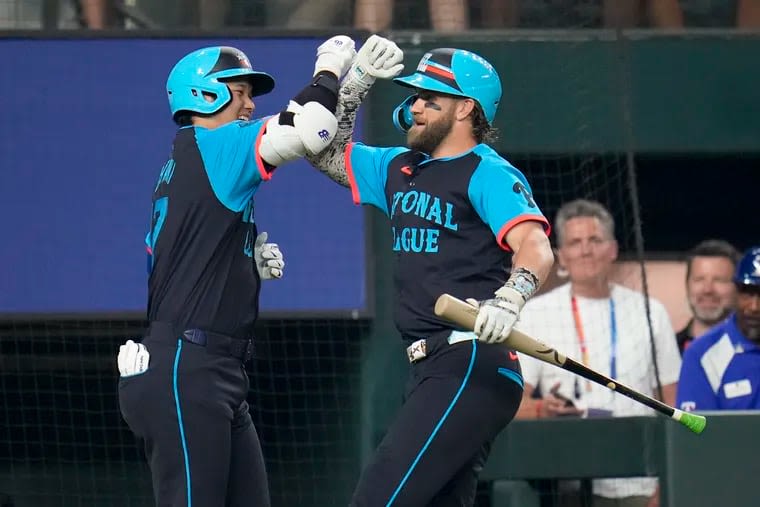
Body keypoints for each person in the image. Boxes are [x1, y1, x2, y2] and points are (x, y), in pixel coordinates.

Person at [308, 36, 555, 506]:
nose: (415, 106)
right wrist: (355, 86)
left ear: (465, 109)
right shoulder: (400, 166)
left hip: (470, 362)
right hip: (428, 368)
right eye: (415, 97)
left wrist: (511, 297)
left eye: (429, 99)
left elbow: (536, 246)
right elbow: (323, 153)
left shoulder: (488, 171)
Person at [116, 37, 357, 507]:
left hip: (207, 368)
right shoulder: (215, 145)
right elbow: (313, 130)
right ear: (204, 95)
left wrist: (241, 265)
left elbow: (179, 263)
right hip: (188, 368)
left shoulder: (187, 157)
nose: (249, 102)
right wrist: (331, 70)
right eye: (239, 90)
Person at [514, 199, 682, 507]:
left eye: (595, 240)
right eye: (575, 243)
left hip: (643, 482)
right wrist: (542, 410)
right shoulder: (537, 313)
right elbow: (513, 402)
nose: (586, 250)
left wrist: (668, 482)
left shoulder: (649, 311)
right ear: (560, 256)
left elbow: (674, 402)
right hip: (571, 481)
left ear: (613, 249)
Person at [677, 246, 760, 411]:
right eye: (747, 293)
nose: (754, 306)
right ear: (736, 291)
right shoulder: (701, 354)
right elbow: (696, 431)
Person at [676, 240, 739, 354]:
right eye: (699, 279)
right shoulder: (668, 348)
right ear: (687, 284)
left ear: (738, 288)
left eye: (719, 280)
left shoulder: (754, 350)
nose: (707, 290)